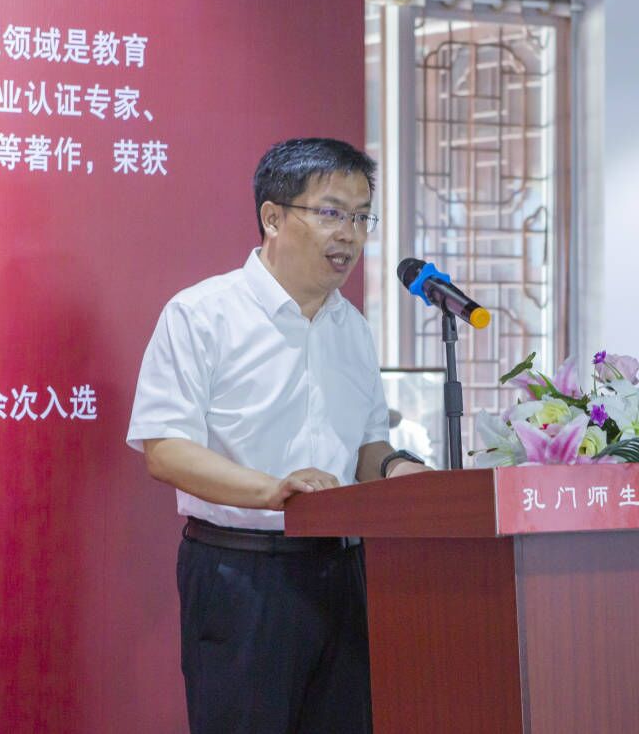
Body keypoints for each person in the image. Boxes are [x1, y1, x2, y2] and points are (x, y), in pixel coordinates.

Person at [126, 138, 429, 734]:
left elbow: (367, 449)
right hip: (241, 574)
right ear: (273, 217)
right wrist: (272, 490)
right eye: (332, 212)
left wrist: (398, 470)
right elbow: (166, 450)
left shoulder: (352, 328)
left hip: (343, 572)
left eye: (361, 217)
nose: (349, 235)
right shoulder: (201, 314)